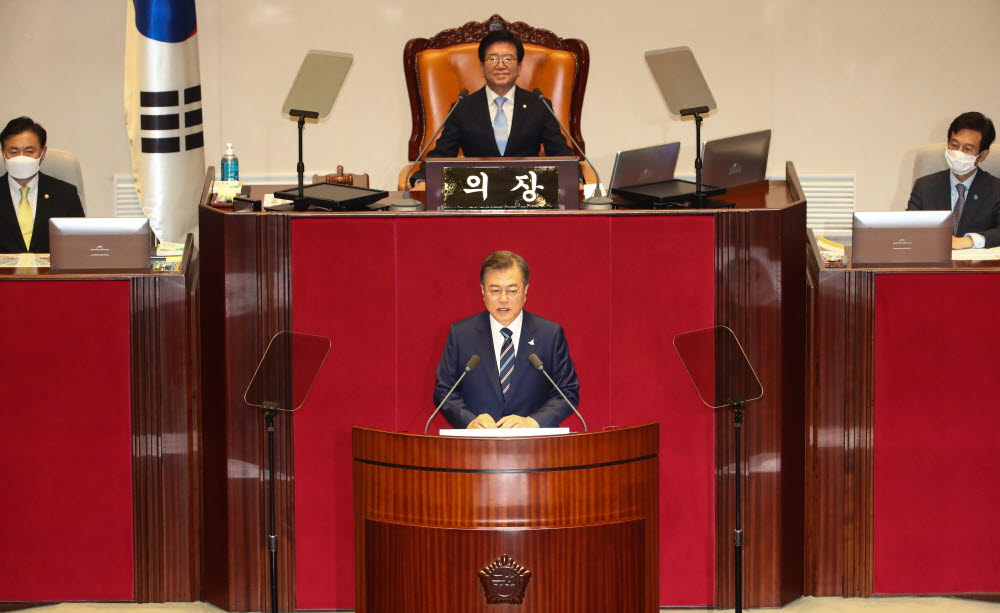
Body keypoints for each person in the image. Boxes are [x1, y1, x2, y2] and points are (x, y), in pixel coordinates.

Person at [434, 250, 580, 429]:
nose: (503, 299)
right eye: (495, 290)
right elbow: (444, 392)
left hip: (536, 447)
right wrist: (469, 421)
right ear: (482, 291)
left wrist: (533, 422)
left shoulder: (549, 334)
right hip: (476, 447)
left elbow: (567, 392)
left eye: (512, 290)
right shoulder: (461, 334)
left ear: (525, 290)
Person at [410, 30, 575, 185]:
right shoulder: (462, 108)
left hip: (526, 193)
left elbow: (560, 153)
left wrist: (578, 181)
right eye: (493, 59)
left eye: (508, 59)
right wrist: (420, 180)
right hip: (476, 194)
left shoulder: (539, 105)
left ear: (519, 67)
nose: (501, 65)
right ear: (482, 67)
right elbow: (442, 155)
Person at [907, 111, 1000, 249]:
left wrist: (969, 241)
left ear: (982, 155)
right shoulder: (924, 187)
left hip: (976, 268)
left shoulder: (996, 189)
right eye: (954, 145)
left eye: (968, 149)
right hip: (934, 267)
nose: (958, 153)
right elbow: (908, 228)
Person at [1, 116, 84, 253]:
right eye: (14, 152)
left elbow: (79, 246)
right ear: (3, 153)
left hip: (50, 273)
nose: (21, 158)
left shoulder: (65, 194)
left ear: (43, 153)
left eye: (29, 152)